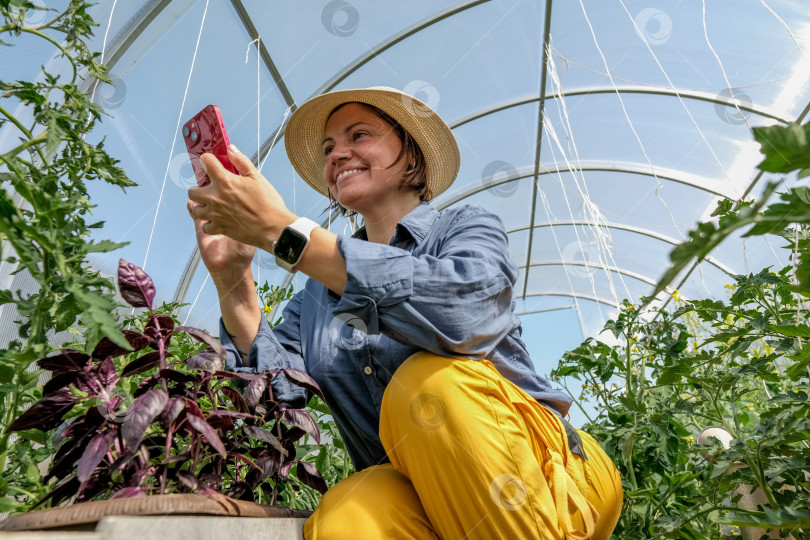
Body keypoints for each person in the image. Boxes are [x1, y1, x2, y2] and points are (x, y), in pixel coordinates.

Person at [187, 87, 623, 539]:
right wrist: (233, 276)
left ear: (412, 155)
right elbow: (274, 397)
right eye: (329, 148)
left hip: (552, 480)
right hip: (427, 501)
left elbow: (464, 315)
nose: (338, 154)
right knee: (343, 519)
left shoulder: (466, 227)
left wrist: (286, 233)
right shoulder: (317, 294)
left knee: (425, 388)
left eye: (359, 135)